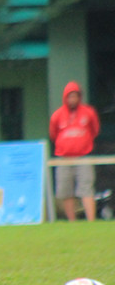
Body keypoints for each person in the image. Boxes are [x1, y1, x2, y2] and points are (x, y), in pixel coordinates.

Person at [49, 81, 100, 221]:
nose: (73, 100)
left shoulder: (89, 112)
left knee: (86, 189)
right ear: (65, 98)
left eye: (75, 96)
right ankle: (73, 222)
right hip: (64, 159)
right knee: (66, 191)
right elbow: (53, 134)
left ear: (79, 97)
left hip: (83, 157)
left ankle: (91, 221)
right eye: (70, 97)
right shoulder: (57, 115)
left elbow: (95, 130)